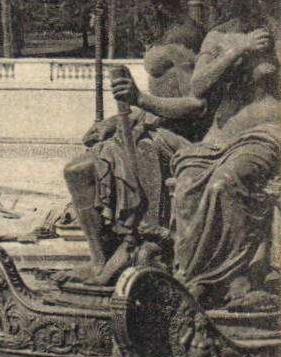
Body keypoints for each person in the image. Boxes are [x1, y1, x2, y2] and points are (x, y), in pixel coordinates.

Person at [63, 32, 210, 283]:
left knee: (143, 148)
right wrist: (112, 122)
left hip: (181, 140)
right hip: (150, 127)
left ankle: (133, 243)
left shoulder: (186, 44)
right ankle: (100, 259)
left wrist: (140, 99)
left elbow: (196, 106)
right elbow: (152, 109)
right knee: (77, 170)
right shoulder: (161, 37)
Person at [167, 24, 281, 310]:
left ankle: (234, 277)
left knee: (225, 183)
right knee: (187, 183)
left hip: (266, 133)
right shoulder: (217, 38)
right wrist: (238, 49)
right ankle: (194, 277)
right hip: (220, 138)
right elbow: (198, 87)